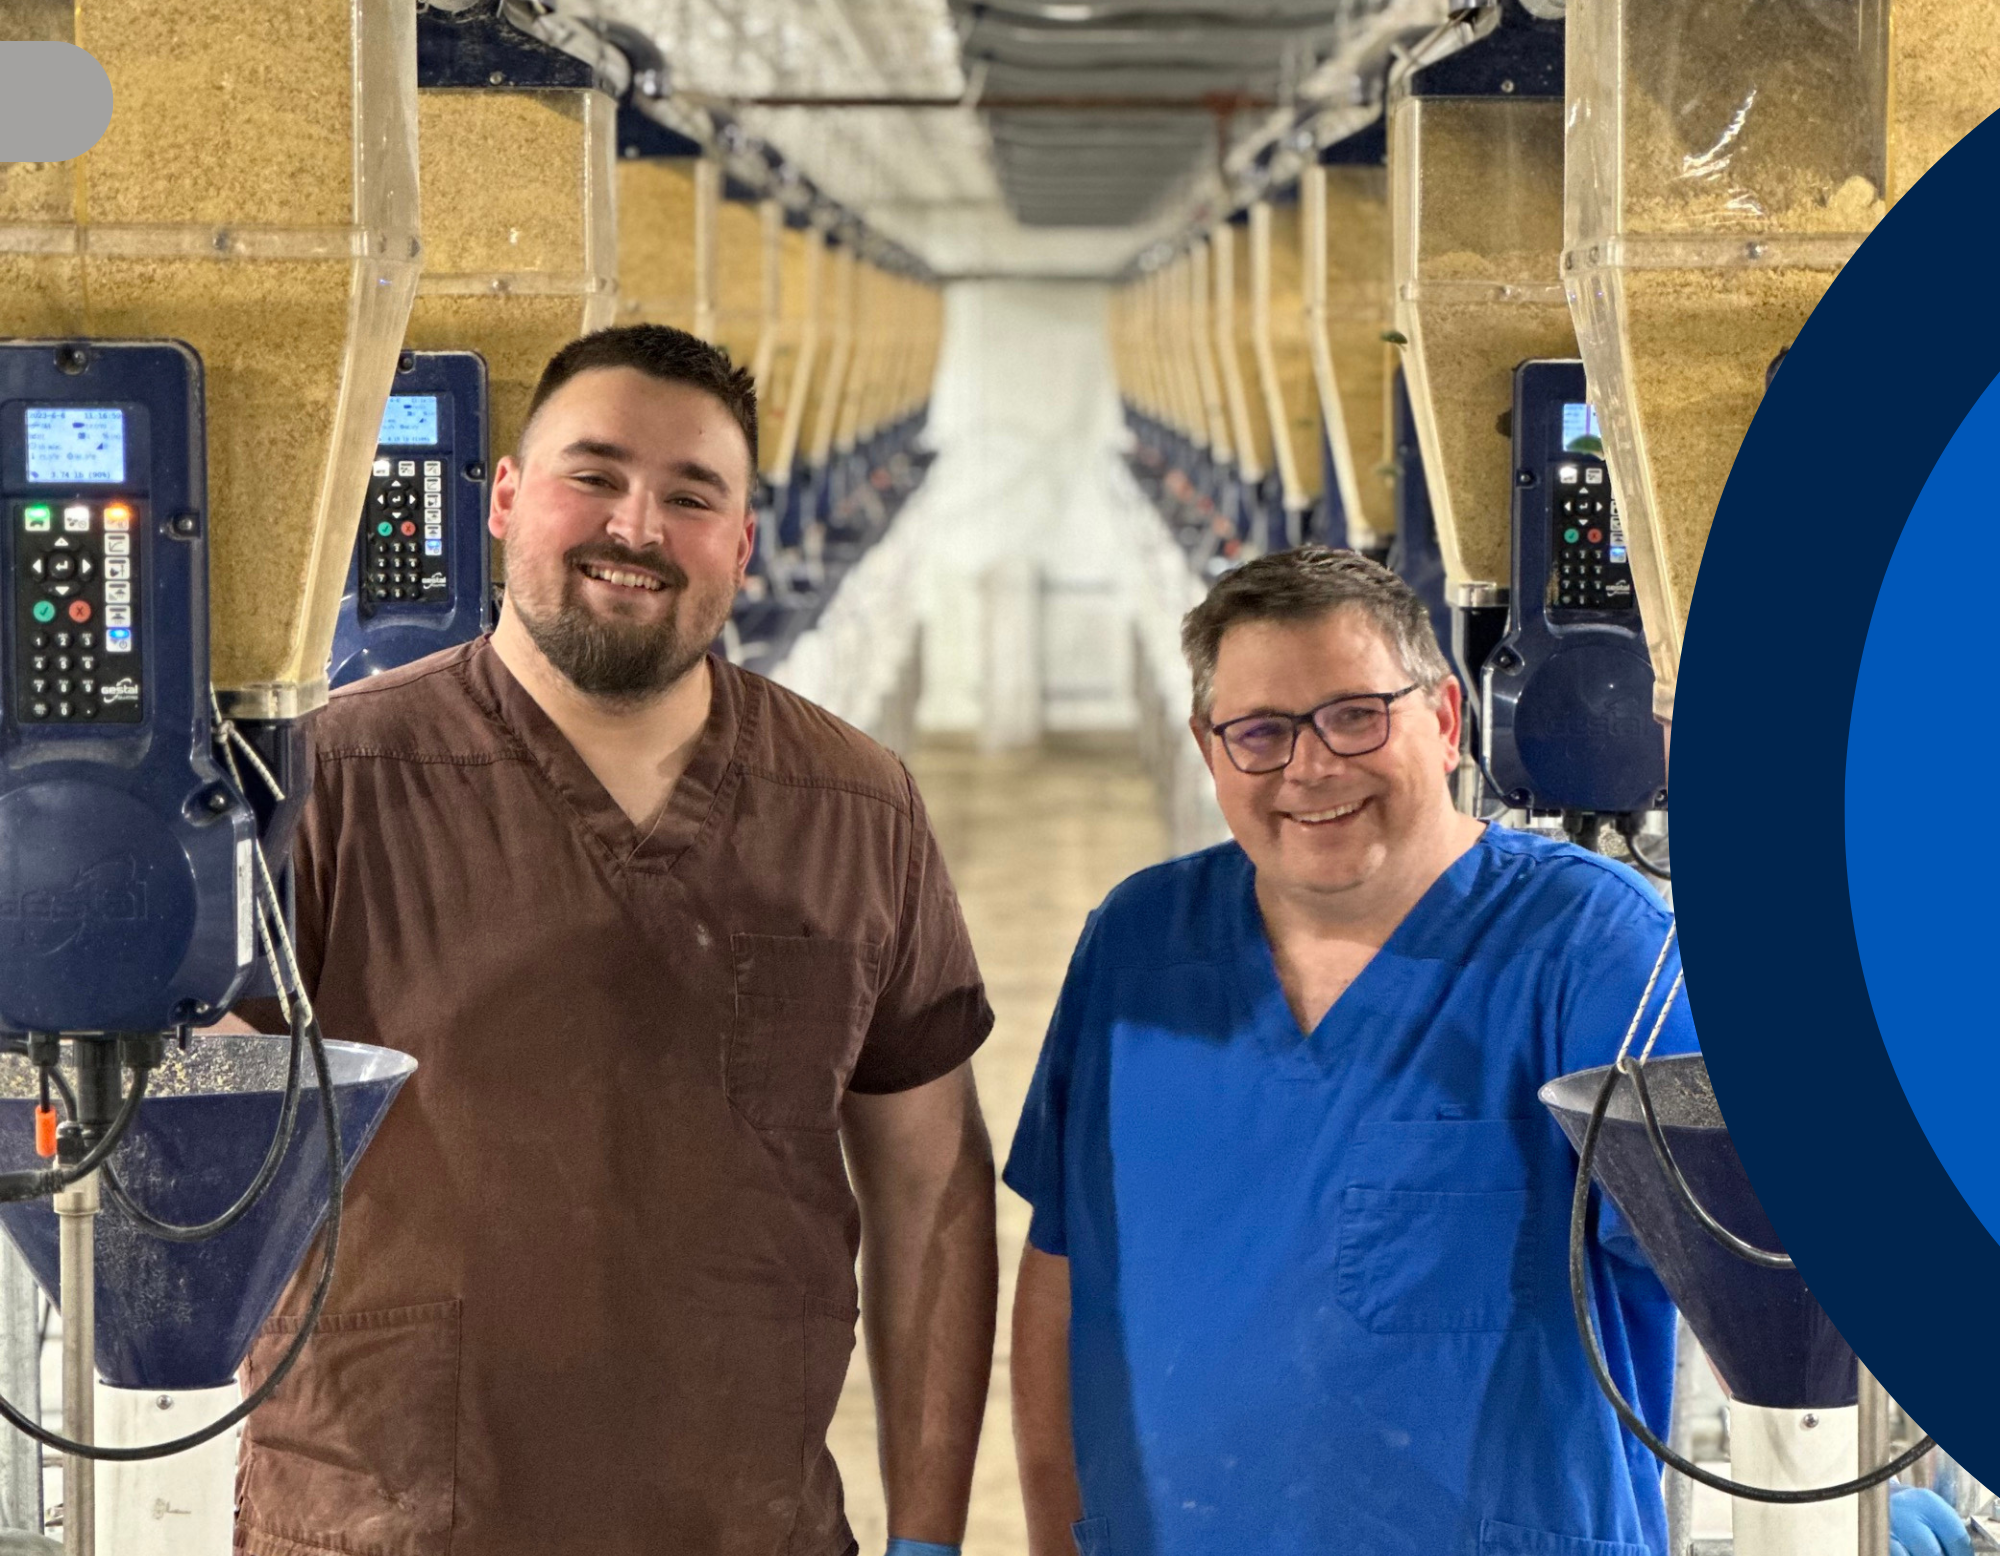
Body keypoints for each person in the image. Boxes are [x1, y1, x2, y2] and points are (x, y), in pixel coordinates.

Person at [231, 326, 997, 1556]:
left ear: (742, 544)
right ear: (507, 498)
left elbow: (931, 1188)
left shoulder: (852, 804)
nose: (635, 527)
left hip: (740, 1521)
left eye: (691, 496)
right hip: (391, 1521)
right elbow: (190, 1154)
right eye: (593, 475)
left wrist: (929, 1535)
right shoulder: (330, 782)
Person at [1006, 546, 1696, 1555]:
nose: (1310, 766)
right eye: (1259, 732)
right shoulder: (1138, 945)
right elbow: (1061, 1277)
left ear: (1444, 718)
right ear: (1209, 751)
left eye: (1354, 714)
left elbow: (1747, 1263)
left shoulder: (1591, 948)